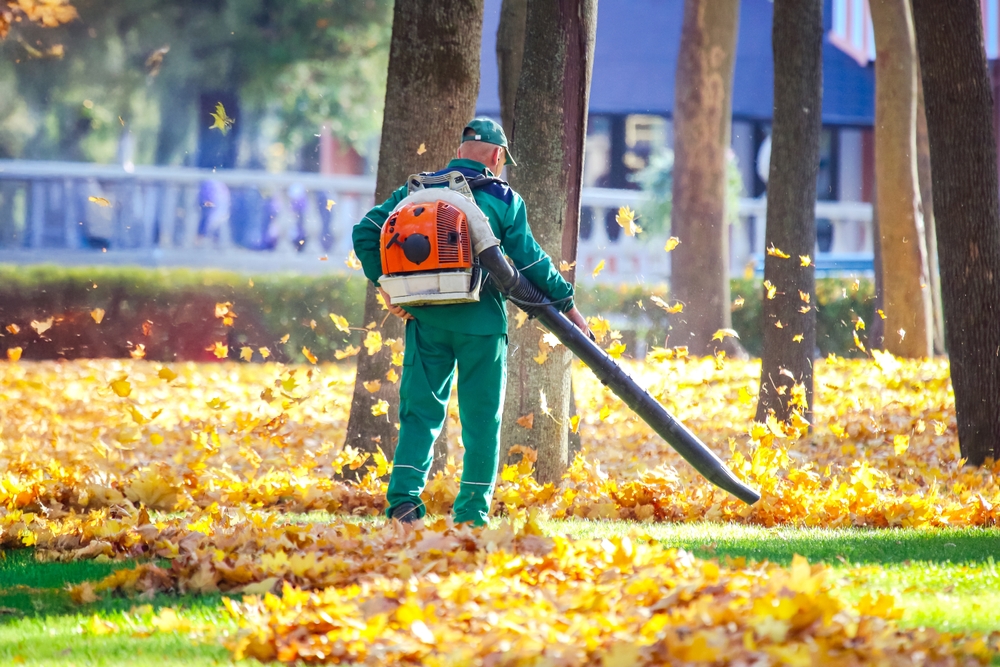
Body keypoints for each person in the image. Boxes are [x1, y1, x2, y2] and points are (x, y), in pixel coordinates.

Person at [352, 118, 591, 527]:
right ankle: (471, 514)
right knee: (483, 421)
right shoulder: (502, 198)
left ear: (460, 150)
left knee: (420, 413)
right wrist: (568, 307)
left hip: (425, 319)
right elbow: (531, 261)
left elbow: (365, 232)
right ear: (497, 157)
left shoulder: (416, 190)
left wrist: (387, 286)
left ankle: (403, 507)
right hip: (481, 324)